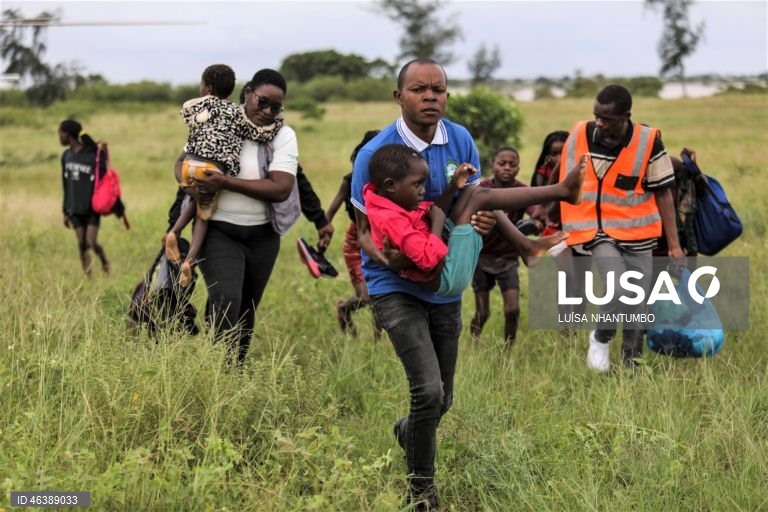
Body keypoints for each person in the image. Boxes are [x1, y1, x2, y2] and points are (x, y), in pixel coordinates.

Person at [350, 58, 567, 509]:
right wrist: (383, 256)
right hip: (394, 285)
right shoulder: (376, 155)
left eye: (438, 89)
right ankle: (421, 492)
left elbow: (469, 205)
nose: (430, 97)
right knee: (426, 391)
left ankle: (410, 434)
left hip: (446, 280)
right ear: (399, 96)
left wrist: (485, 222)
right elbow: (364, 230)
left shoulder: (461, 139)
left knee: (442, 399)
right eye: (418, 89)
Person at [559, 84, 685, 372]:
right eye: (596, 116)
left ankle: (632, 364)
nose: (599, 123)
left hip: (638, 232)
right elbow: (565, 179)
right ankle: (601, 336)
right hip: (595, 230)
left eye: (606, 119)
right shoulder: (581, 133)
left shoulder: (648, 141)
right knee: (617, 287)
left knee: (637, 299)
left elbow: (664, 193)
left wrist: (675, 246)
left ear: (625, 116)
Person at [177, 68, 299, 366]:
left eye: (276, 107)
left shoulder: (282, 135)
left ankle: (234, 370)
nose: (268, 111)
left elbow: (281, 188)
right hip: (220, 231)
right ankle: (219, 371)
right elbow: (182, 160)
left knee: (246, 308)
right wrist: (189, 184)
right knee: (226, 300)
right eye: (262, 102)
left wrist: (225, 182)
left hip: (263, 235)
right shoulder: (220, 119)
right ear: (247, 94)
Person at [363, 144, 582, 297]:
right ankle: (561, 192)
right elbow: (429, 259)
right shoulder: (390, 219)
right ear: (391, 185)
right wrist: (438, 222)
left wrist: (452, 187)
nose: (423, 191)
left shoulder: (386, 199)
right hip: (446, 277)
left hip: (440, 257)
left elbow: (431, 211)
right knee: (481, 196)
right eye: (417, 185)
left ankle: (528, 247)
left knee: (474, 192)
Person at [165, 64, 283, 287]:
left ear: (206, 87)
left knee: (195, 198)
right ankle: (189, 261)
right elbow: (254, 132)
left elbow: (188, 116)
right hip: (211, 169)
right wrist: (274, 124)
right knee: (203, 217)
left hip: (189, 163)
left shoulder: (195, 105)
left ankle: (175, 231)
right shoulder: (236, 113)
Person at [470, 147, 536, 346]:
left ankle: (507, 350)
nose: (507, 168)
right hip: (481, 258)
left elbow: (536, 211)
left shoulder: (523, 191)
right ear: (492, 166)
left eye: (512, 164)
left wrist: (536, 223)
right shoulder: (481, 189)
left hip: (507, 259)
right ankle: (472, 342)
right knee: (482, 312)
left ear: (518, 168)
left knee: (512, 310)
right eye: (502, 163)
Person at [324, 130, 383, 338]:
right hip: (356, 239)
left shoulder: (389, 182)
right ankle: (344, 309)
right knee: (365, 296)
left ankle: (377, 344)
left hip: (382, 239)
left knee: (381, 295)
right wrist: (324, 232)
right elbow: (330, 212)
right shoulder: (350, 181)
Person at [58, 119, 117, 277]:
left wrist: (102, 149)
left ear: (68, 134)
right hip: (74, 208)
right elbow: (65, 184)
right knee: (81, 244)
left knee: (92, 242)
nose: (59, 137)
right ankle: (89, 277)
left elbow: (104, 172)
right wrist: (65, 210)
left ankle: (104, 262)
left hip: (91, 207)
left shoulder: (92, 154)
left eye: (60, 133)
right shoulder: (66, 156)